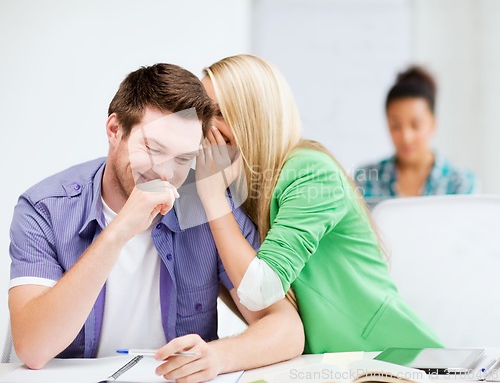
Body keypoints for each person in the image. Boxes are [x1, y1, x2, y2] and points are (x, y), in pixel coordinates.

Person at [8, 63, 304, 382]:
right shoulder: (45, 208)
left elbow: (286, 327)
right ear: (114, 130)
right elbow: (33, 349)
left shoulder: (205, 206)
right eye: (153, 149)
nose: (166, 173)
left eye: (182, 159)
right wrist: (119, 231)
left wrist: (220, 356)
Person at [195, 54, 442, 354]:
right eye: (203, 114)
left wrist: (212, 198)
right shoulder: (242, 189)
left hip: (396, 360)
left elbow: (259, 291)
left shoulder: (311, 172)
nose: (207, 130)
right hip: (328, 365)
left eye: (220, 113)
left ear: (254, 117)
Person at [355, 66, 479, 199]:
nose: (406, 137)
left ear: (433, 124)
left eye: (415, 125)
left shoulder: (461, 183)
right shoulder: (365, 179)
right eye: (395, 126)